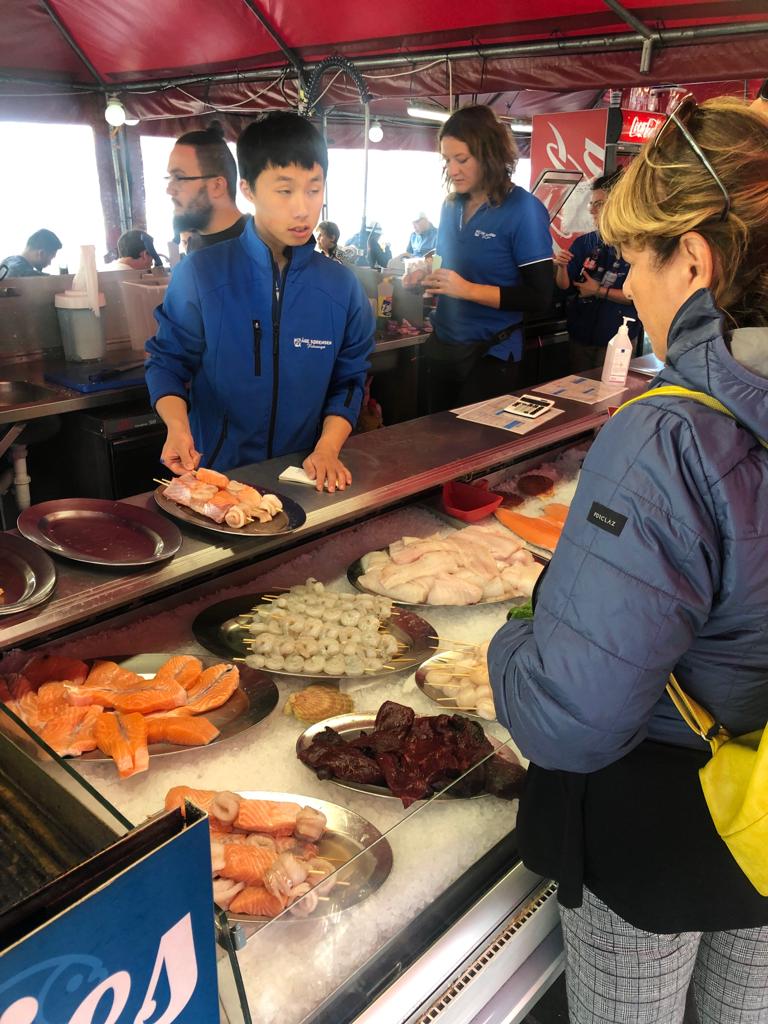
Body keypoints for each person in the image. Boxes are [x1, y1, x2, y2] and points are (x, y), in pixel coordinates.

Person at [489, 95, 768, 1023]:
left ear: (693, 256)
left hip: (666, 821)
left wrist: (510, 640)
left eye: (637, 259)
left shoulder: (670, 434)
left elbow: (574, 721)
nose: (630, 287)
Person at [146, 111, 374, 493]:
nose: (302, 208)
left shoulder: (341, 287)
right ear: (249, 190)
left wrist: (327, 449)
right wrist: (177, 429)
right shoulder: (201, 274)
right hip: (218, 478)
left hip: (305, 476)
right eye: (284, 190)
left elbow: (349, 381)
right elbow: (167, 362)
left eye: (314, 189)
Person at [419, 106, 553, 413]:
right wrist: (426, 276)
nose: (452, 170)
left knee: (473, 453)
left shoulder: (524, 210)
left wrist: (466, 289)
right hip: (444, 347)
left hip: (491, 355)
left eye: (462, 159)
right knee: (433, 446)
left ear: (489, 155)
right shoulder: (450, 205)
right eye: (447, 160)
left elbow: (539, 296)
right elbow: (443, 261)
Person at [553, 173, 640, 372]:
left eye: (599, 204)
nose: (592, 210)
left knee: (611, 396)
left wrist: (598, 290)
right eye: (592, 204)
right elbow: (565, 286)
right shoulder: (586, 242)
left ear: (618, 205)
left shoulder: (636, 246)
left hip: (618, 340)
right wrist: (561, 267)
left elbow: (637, 296)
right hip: (581, 334)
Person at [166, 122, 248, 247]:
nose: (169, 190)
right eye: (169, 177)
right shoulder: (193, 245)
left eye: (179, 177)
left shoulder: (263, 244)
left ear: (217, 186)